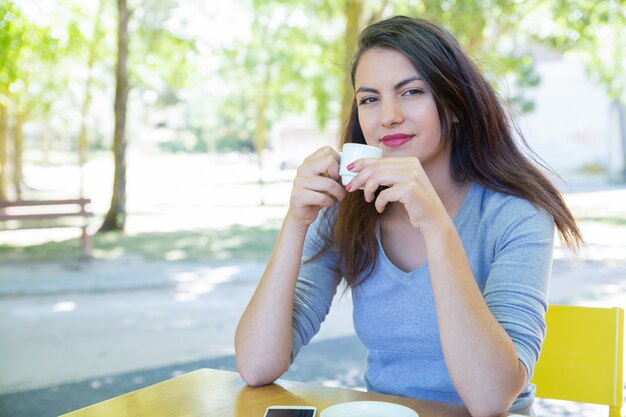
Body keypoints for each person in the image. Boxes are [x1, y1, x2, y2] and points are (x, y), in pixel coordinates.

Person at [235, 15, 582, 417]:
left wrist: (436, 225)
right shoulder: (347, 212)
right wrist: (296, 223)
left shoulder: (516, 215)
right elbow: (257, 366)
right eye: (369, 99)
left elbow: (490, 400)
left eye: (411, 92)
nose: (388, 116)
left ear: (453, 105)